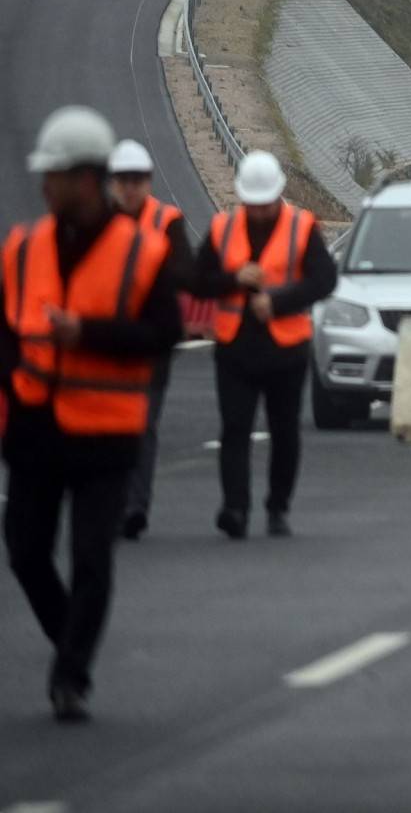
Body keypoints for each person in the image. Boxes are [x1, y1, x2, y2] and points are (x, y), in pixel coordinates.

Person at [3, 107, 181, 722]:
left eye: (53, 175)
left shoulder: (145, 252)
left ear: (84, 178)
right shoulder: (22, 248)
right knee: (25, 552)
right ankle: (70, 642)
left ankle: (70, 674)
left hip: (106, 433)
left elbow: (164, 332)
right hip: (32, 430)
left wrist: (89, 334)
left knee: (90, 557)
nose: (43, 186)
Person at [195, 151, 337, 540]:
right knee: (235, 429)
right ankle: (235, 509)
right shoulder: (223, 228)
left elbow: (324, 280)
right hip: (235, 348)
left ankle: (277, 507)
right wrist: (233, 279)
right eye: (251, 204)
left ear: (278, 196)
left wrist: (278, 301)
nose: (257, 212)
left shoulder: (301, 227)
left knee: (285, 431)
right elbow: (196, 278)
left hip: (286, 349)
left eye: (264, 204)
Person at [105, 140, 196, 541]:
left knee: (143, 424)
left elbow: (184, 273)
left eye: (137, 180)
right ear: (111, 183)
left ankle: (135, 506)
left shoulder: (167, 220)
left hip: (152, 341)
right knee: (106, 426)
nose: (129, 187)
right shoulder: (97, 221)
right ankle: (110, 501)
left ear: (148, 181)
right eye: (122, 180)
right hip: (105, 340)